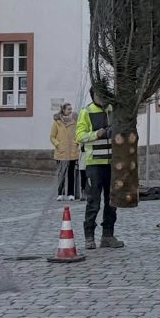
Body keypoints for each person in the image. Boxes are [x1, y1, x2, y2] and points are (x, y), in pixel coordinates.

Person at [76, 84, 124, 249]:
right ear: (93, 95)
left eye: (104, 94)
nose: (102, 97)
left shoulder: (112, 110)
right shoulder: (86, 112)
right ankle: (89, 236)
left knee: (112, 202)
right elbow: (79, 136)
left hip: (112, 163)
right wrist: (97, 134)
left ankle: (108, 235)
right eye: (98, 95)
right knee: (93, 202)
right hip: (94, 164)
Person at [51, 102, 80, 201]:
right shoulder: (57, 122)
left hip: (72, 151)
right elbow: (52, 137)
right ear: (63, 110)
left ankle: (71, 194)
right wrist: (58, 145)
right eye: (68, 109)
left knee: (71, 173)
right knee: (61, 174)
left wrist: (76, 143)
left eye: (71, 109)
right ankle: (60, 194)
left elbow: (78, 134)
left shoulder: (75, 121)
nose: (70, 111)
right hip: (61, 152)